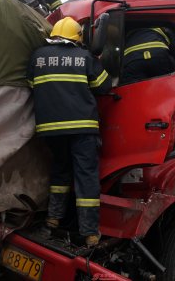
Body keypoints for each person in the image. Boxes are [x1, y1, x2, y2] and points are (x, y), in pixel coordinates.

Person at [27, 16, 112, 246]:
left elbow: (32, 85)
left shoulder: (38, 57)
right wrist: (99, 61)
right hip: (82, 128)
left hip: (50, 130)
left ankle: (53, 219)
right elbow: (104, 86)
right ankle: (90, 232)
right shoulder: (85, 57)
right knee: (85, 177)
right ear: (77, 37)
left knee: (60, 173)